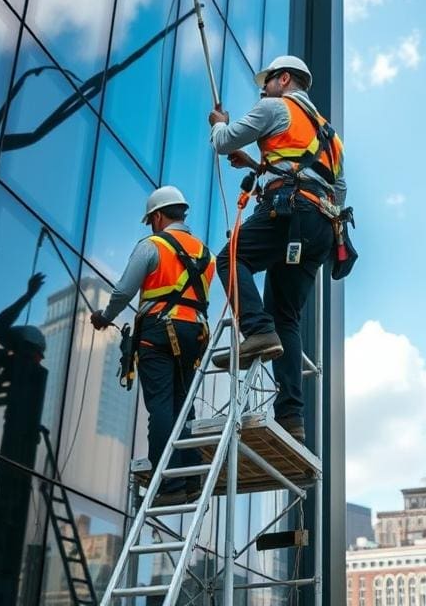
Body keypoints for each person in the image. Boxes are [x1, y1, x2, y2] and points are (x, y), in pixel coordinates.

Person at [208, 55, 345, 442]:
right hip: (320, 226)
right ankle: (291, 417)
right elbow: (334, 187)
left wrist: (219, 123)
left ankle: (256, 329)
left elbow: (223, 141)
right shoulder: (331, 136)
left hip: (289, 210)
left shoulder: (275, 107)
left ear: (283, 79)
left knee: (230, 258)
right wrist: (257, 165)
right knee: (286, 316)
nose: (263, 90)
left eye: (267, 82)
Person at [90, 186, 215, 505]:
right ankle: (189, 479)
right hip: (194, 334)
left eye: (151, 221)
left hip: (159, 332)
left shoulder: (152, 246)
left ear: (158, 216)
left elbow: (123, 292)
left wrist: (104, 317)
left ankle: (169, 486)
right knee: (183, 406)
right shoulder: (206, 254)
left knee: (160, 406)